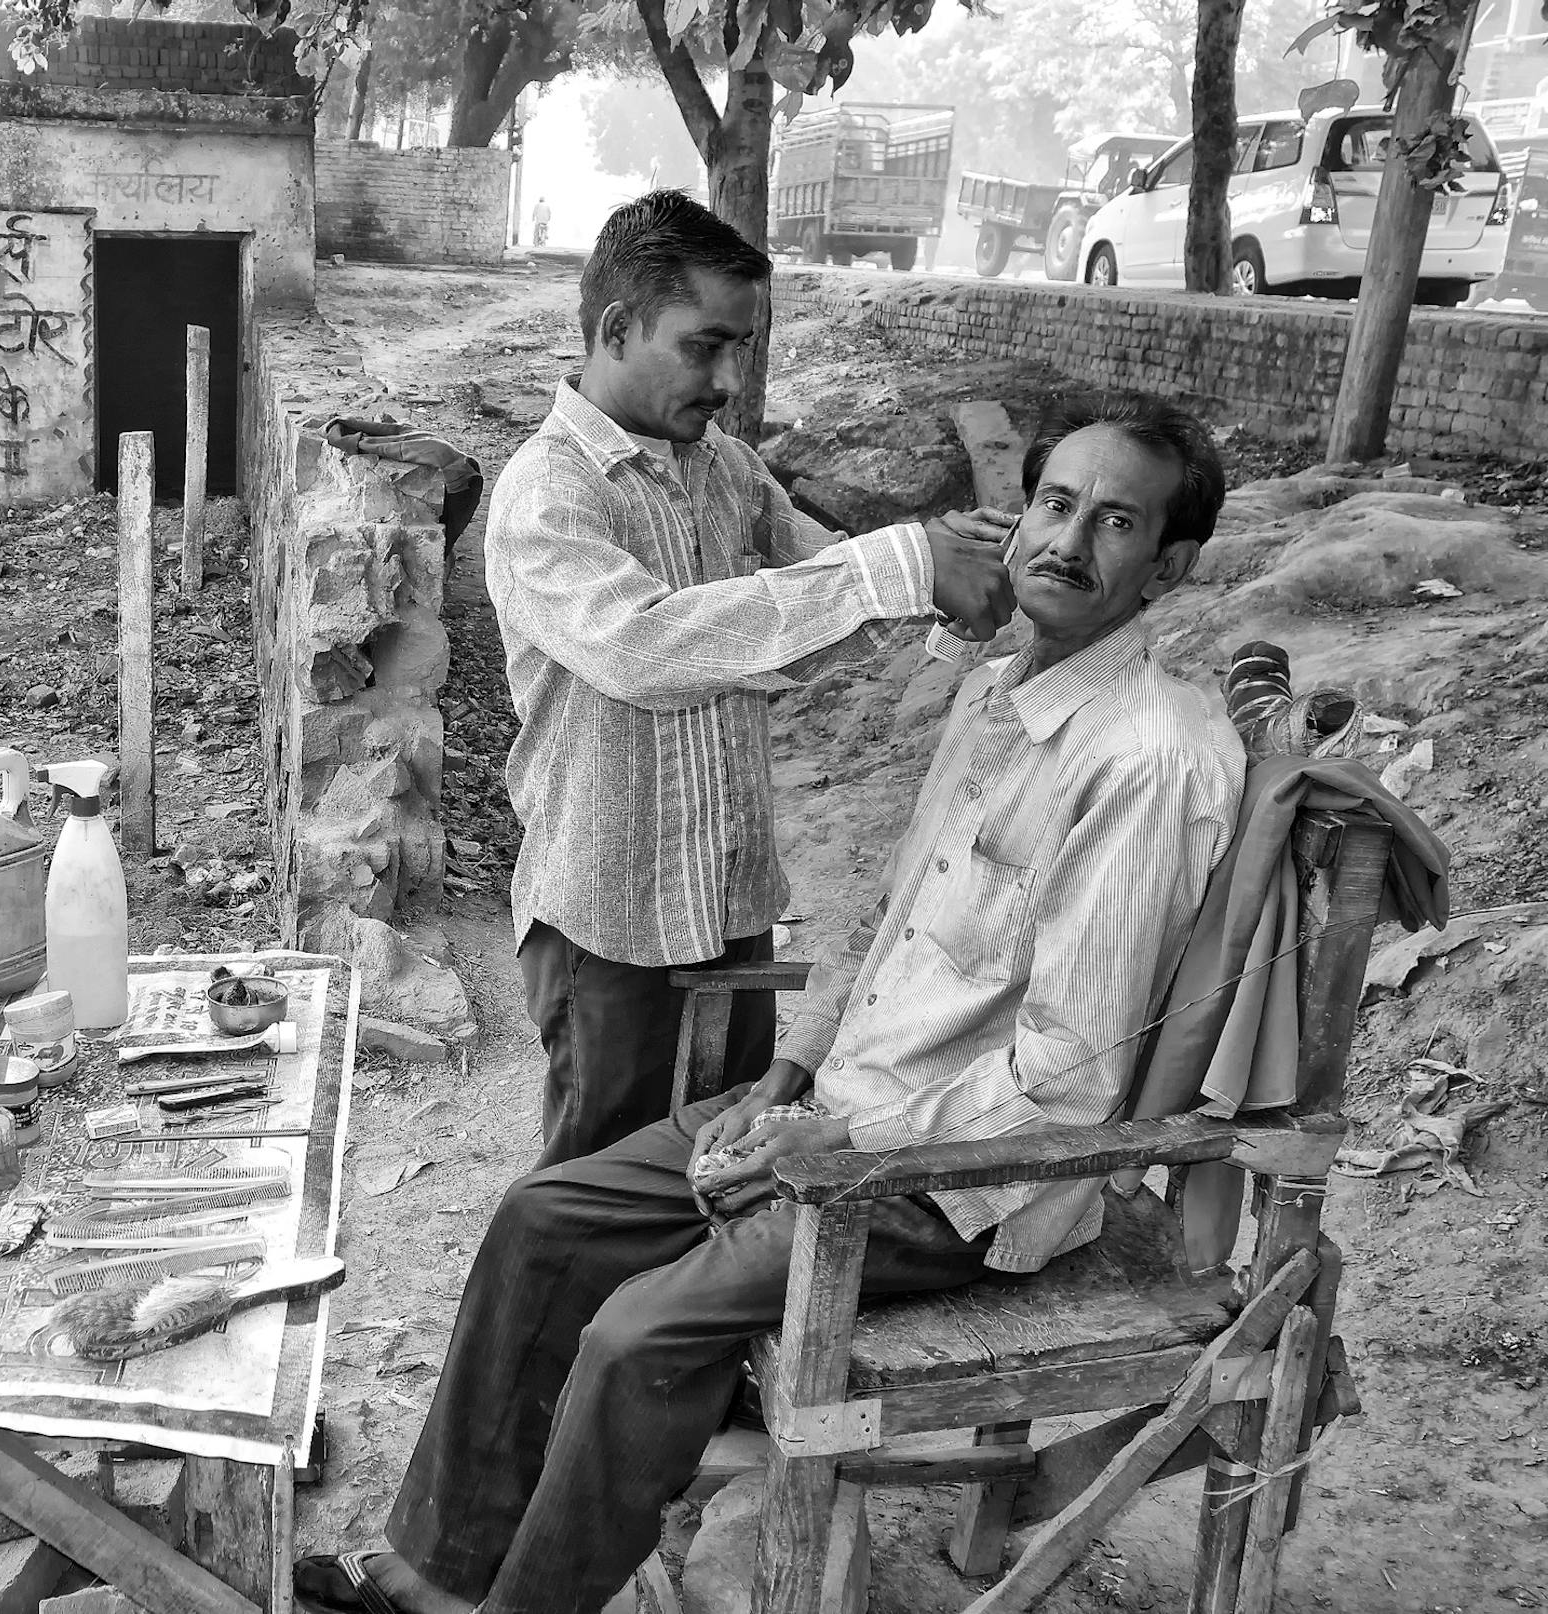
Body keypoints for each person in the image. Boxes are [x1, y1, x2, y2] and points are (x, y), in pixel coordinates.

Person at [296, 393, 1247, 1614]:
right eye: (1055, 504)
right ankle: (431, 1577)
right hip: (847, 1109)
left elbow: (1066, 1076)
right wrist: (796, 1077)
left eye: (1115, 524)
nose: (1066, 541)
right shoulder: (998, 691)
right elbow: (891, 927)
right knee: (547, 1215)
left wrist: (837, 1142)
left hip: (960, 1181)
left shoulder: (1148, 760)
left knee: (637, 1336)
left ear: (1168, 565)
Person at [485, 189, 1015, 1170]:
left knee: (733, 1172)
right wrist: (891, 569)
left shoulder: (722, 466)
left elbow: (814, 596)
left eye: (743, 350)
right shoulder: (546, 496)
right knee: (601, 1196)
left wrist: (946, 576)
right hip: (613, 925)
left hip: (733, 909)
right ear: (614, 328)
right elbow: (647, 650)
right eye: (705, 346)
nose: (729, 378)